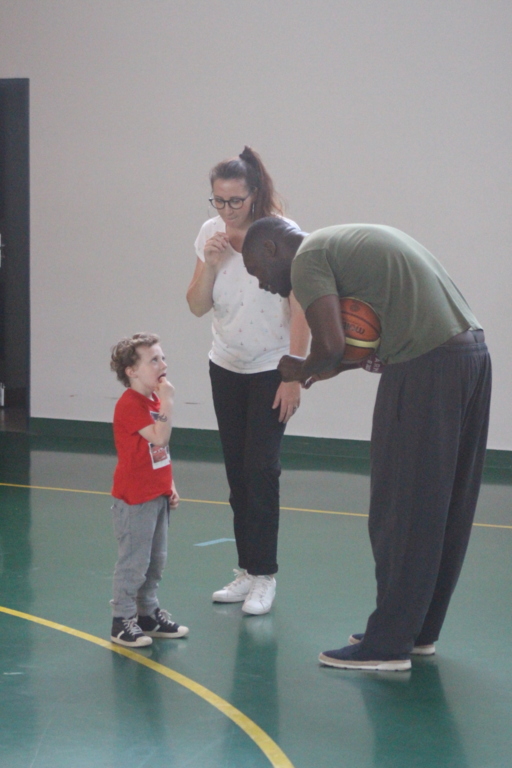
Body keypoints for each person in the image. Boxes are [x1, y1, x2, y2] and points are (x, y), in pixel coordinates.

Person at [242, 218, 492, 669]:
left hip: (425, 368)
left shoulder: (307, 258)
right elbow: (352, 348)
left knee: (401, 508)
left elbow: (331, 344)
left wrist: (301, 368)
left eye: (256, 270)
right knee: (444, 508)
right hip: (470, 356)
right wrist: (329, 366)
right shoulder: (342, 243)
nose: (263, 283)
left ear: (271, 248)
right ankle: (416, 631)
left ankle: (388, 644)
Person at [186, 147, 309, 615]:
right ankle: (247, 570)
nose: (226, 209)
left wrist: (294, 374)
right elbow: (197, 306)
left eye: (235, 200)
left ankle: (265, 576)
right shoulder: (210, 233)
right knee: (238, 473)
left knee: (261, 469)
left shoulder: (281, 235)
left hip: (271, 369)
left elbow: (301, 309)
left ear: (254, 195)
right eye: (218, 200)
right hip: (226, 366)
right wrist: (211, 263)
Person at [109, 333, 189, 647]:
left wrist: (169, 484)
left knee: (155, 562)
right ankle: (122, 620)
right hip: (135, 499)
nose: (162, 364)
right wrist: (168, 401)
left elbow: (159, 452)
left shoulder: (153, 401)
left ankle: (147, 614)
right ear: (131, 371)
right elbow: (159, 437)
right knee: (134, 563)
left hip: (156, 495)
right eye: (153, 360)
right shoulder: (130, 404)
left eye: (162, 357)